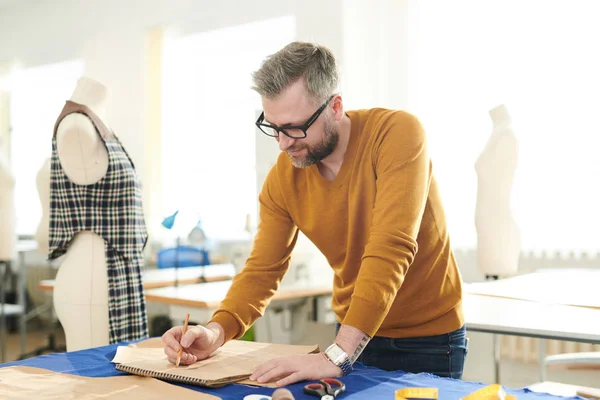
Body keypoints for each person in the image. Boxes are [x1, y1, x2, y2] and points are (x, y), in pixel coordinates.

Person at [162, 41, 466, 385]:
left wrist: (338, 353)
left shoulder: (397, 134)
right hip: (352, 333)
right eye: (273, 127)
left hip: (427, 339)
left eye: (294, 127)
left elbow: (390, 248)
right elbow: (263, 268)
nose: (283, 143)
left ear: (335, 107)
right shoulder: (284, 176)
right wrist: (216, 332)